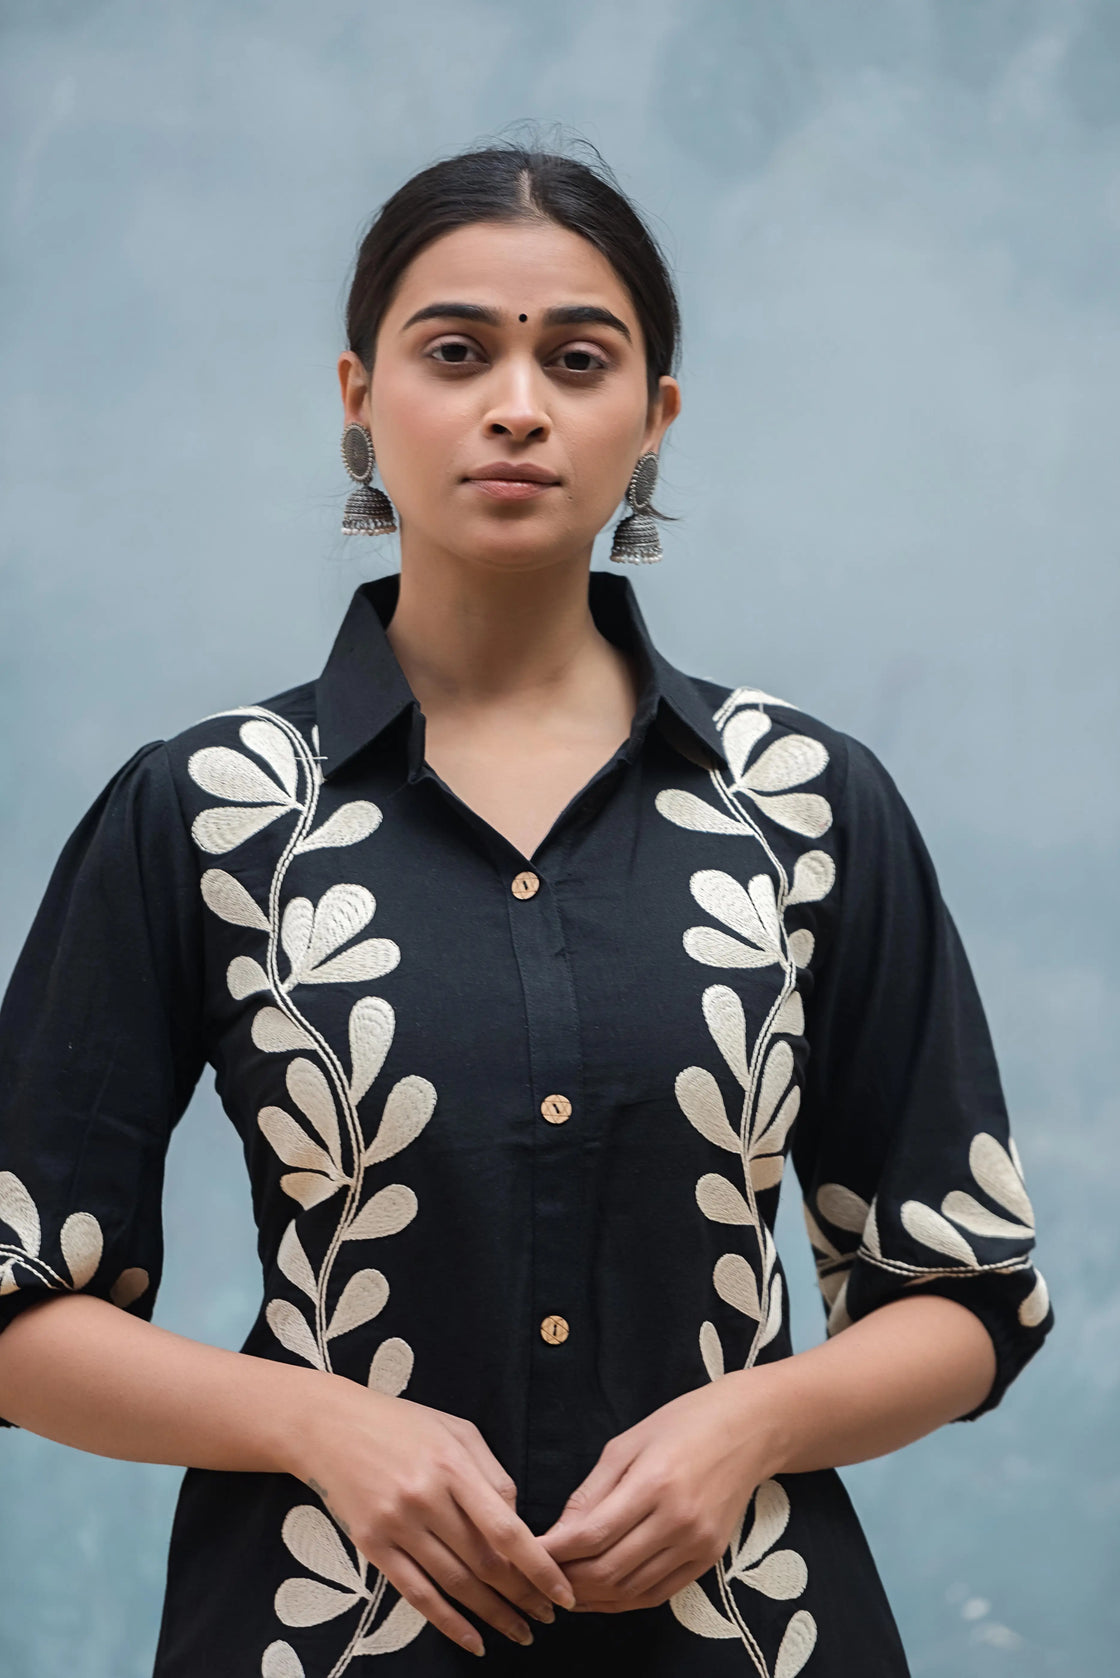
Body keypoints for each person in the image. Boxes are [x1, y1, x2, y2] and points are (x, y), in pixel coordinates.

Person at [0, 141, 1053, 1677]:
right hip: (318, 1634)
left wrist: (748, 1419)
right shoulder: (206, 805)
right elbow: (20, 1305)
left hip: (747, 1637)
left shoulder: (806, 802)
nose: (516, 403)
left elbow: (966, 1289)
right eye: (455, 351)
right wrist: (319, 1418)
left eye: (577, 357)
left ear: (654, 417)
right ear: (359, 395)